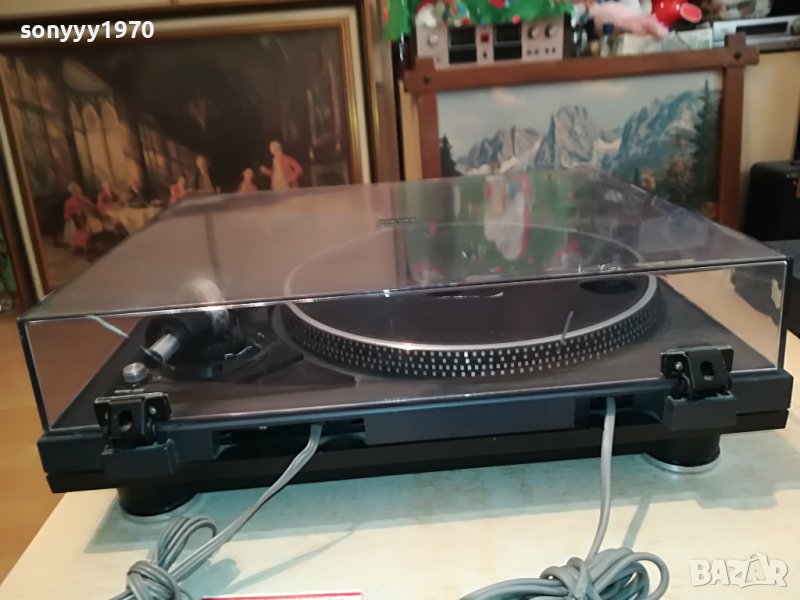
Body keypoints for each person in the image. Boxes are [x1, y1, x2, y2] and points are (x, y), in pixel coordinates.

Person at [63, 182, 98, 254]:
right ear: (72, 192)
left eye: (78, 190)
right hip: (75, 219)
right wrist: (74, 213)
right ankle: (81, 246)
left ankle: (90, 244)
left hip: (87, 216)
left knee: (93, 224)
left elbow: (92, 206)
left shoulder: (84, 199)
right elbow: (67, 213)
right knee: (77, 227)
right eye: (75, 191)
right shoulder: (68, 202)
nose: (78, 192)